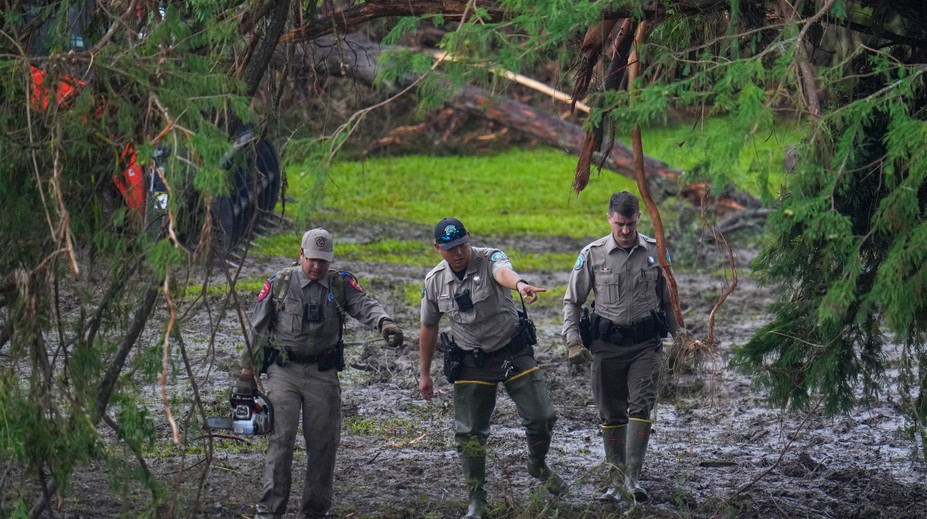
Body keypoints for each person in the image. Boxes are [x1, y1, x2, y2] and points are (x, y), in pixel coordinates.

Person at [237, 228, 404, 519]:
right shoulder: (280, 283)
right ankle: (269, 510)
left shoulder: (340, 284)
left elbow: (364, 304)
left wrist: (384, 323)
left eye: (322, 261)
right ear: (301, 255)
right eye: (312, 259)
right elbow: (257, 328)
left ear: (330, 259)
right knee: (281, 440)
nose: (316, 266)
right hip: (283, 371)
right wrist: (245, 373)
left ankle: (315, 511)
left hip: (322, 374)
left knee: (323, 444)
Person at [418, 217, 565, 519]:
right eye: (450, 248)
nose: (458, 253)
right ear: (438, 249)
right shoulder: (434, 281)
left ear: (469, 239)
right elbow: (429, 326)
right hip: (472, 360)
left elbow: (503, 273)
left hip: (512, 350)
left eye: (461, 245)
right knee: (469, 433)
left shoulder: (489, 258)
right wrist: (424, 373)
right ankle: (476, 500)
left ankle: (537, 463)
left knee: (542, 416)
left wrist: (521, 285)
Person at [562, 192, 681, 504]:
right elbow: (572, 301)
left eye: (630, 224)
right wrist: (573, 341)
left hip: (645, 346)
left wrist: (681, 339)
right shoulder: (592, 254)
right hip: (605, 347)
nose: (625, 230)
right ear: (609, 218)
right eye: (619, 224)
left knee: (641, 407)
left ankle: (633, 479)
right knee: (612, 413)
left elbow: (670, 302)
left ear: (639, 218)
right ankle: (615, 482)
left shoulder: (657, 252)